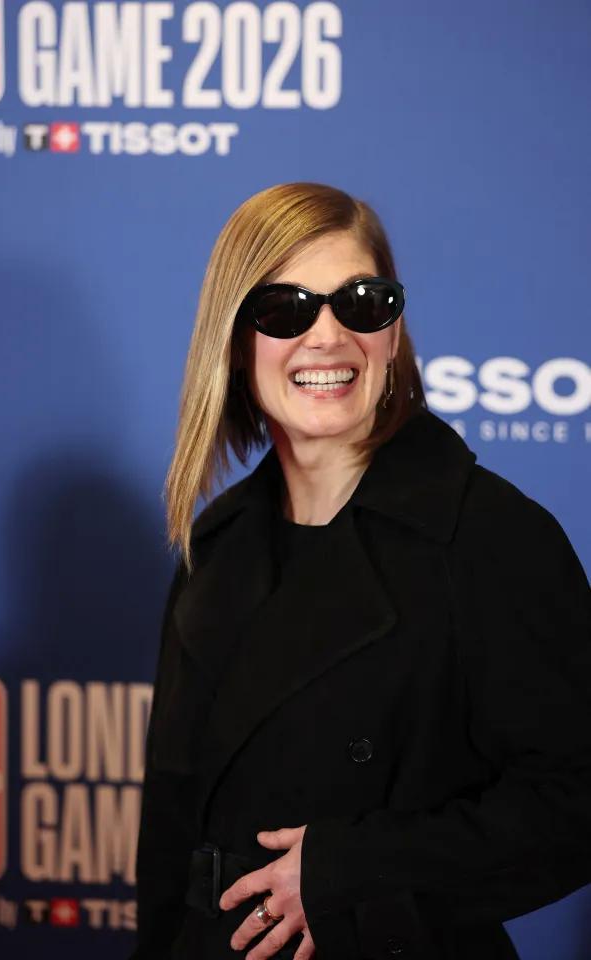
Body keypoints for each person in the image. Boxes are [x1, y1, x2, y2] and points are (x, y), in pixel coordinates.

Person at [131, 182, 591, 960]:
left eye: (361, 303)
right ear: (234, 338)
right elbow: (170, 835)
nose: (328, 337)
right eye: (285, 309)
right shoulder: (217, 544)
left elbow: (576, 798)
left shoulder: (487, 536)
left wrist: (354, 873)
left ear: (393, 330)